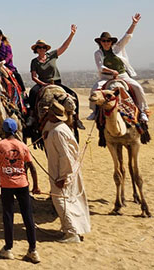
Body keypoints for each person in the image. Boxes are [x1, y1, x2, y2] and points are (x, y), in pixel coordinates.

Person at [0, 118, 41, 264]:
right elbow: (32, 168)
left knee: (8, 217)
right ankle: (33, 250)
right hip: (23, 185)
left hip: (7, 186)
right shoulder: (22, 146)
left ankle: (8, 248)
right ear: (15, 130)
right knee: (28, 217)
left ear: (3, 131)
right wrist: (36, 186)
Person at [42, 102, 91, 243]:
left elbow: (65, 156)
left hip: (62, 172)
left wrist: (63, 176)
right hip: (61, 170)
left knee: (60, 199)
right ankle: (71, 229)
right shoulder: (58, 128)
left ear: (52, 115)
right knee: (67, 199)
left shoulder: (58, 132)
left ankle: (72, 233)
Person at [89, 13, 149, 122]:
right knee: (95, 89)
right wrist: (111, 71)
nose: (106, 43)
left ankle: (143, 111)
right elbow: (100, 67)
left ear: (111, 42)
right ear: (100, 42)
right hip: (106, 77)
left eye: (108, 41)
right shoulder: (98, 53)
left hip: (122, 75)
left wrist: (134, 23)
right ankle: (94, 111)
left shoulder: (118, 48)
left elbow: (127, 36)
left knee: (137, 87)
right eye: (104, 41)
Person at [27, 25, 84, 129]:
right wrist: (43, 84)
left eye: (43, 47)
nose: (42, 49)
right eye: (39, 47)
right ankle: (31, 117)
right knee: (32, 93)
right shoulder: (34, 62)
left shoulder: (52, 55)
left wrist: (72, 34)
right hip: (42, 83)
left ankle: (77, 118)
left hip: (56, 82)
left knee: (73, 94)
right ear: (36, 49)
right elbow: (34, 76)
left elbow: (64, 46)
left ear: (46, 48)